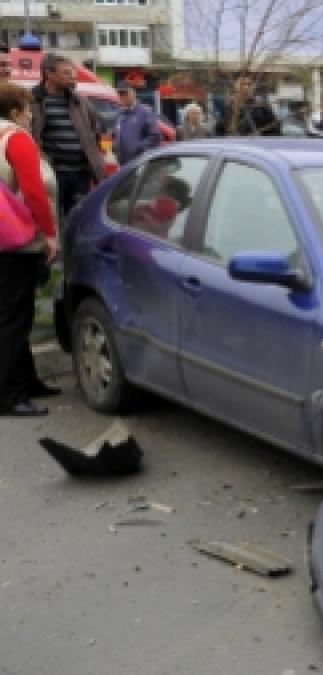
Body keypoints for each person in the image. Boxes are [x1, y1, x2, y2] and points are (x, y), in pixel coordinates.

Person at [0, 82, 61, 417]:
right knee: (13, 319)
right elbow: (34, 191)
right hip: (17, 241)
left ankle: (27, 381)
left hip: (2, 239)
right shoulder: (16, 138)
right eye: (28, 109)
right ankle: (9, 395)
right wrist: (49, 234)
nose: (31, 115)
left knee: (13, 315)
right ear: (14, 112)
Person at [30, 53, 104, 220]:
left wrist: (98, 157)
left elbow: (96, 130)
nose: (73, 77)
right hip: (52, 173)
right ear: (49, 74)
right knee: (50, 217)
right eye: (66, 73)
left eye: (73, 73)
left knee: (78, 218)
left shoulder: (81, 102)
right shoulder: (33, 101)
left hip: (81, 173)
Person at [113, 84, 161, 165]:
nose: (123, 96)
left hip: (139, 162)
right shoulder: (120, 114)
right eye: (120, 94)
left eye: (125, 93)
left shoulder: (145, 112)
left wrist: (138, 148)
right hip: (122, 163)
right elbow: (116, 134)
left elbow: (154, 137)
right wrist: (115, 146)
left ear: (133, 93)